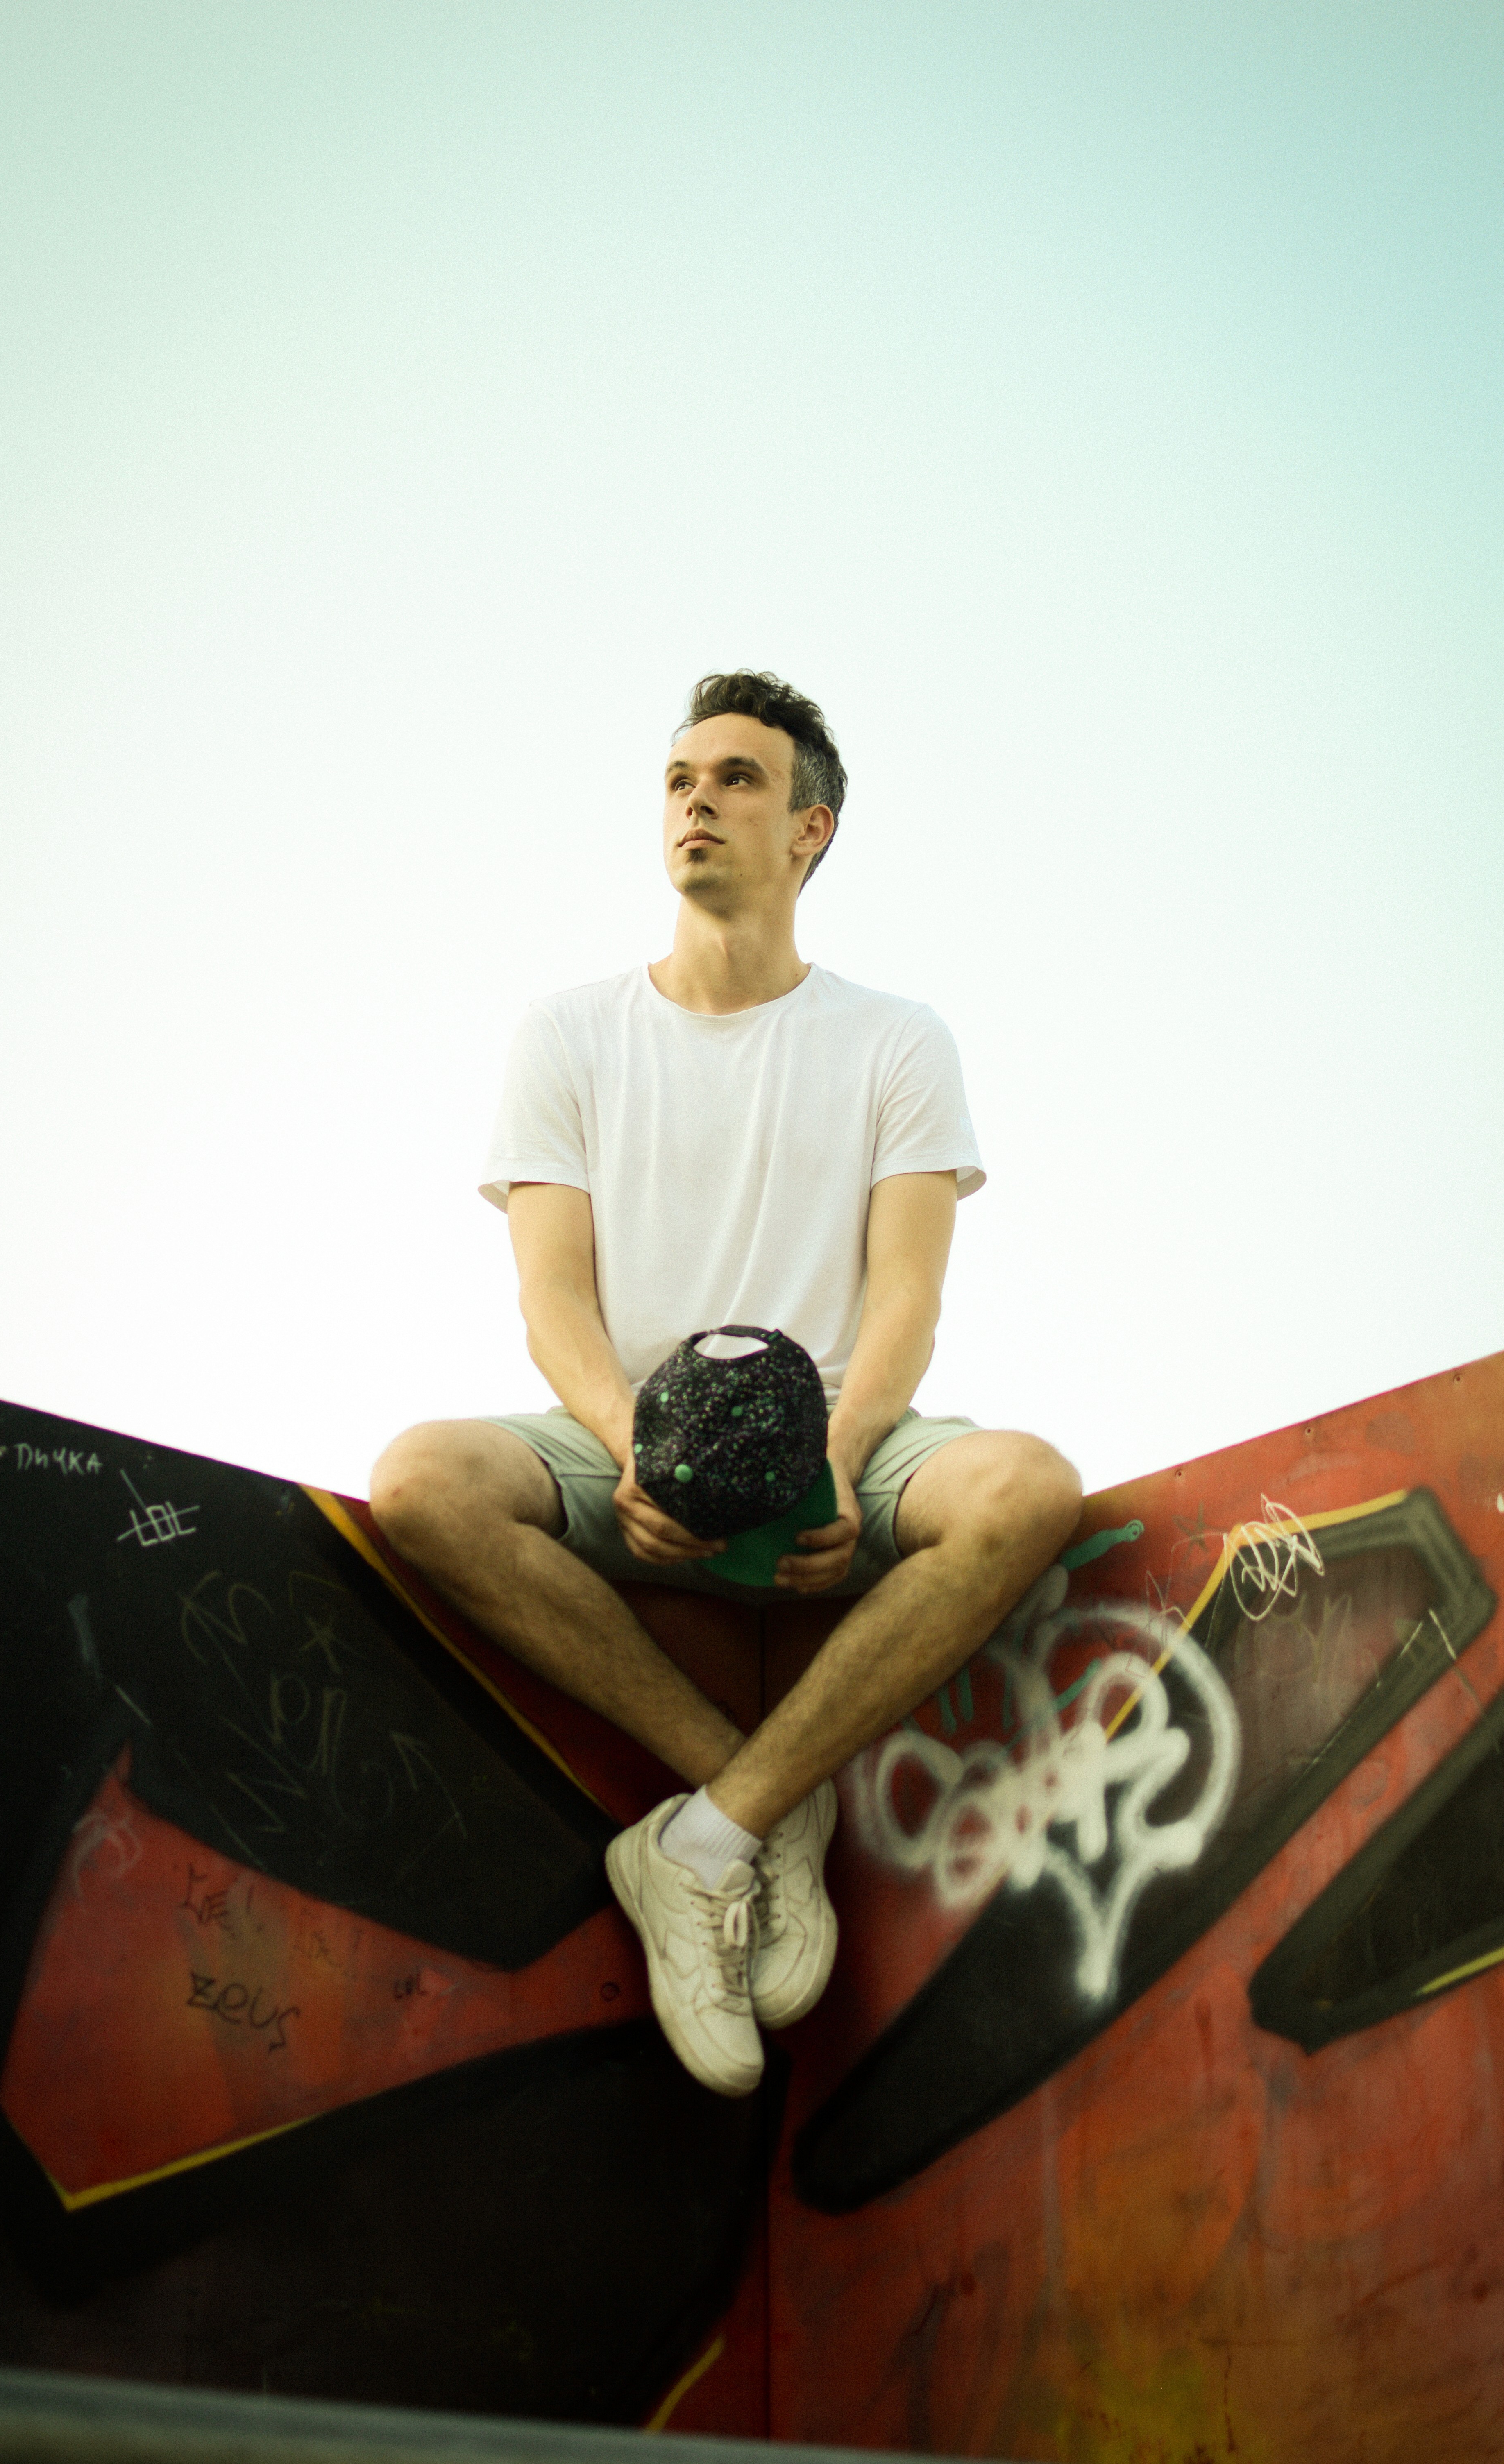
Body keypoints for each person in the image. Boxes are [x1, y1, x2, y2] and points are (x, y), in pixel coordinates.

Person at [370, 672, 1082, 2098]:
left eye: (739, 780)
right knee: (422, 1482)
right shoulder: (567, 1035)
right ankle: (773, 1798)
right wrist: (638, 1447)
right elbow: (551, 1297)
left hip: (840, 1443)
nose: (697, 801)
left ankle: (701, 1841)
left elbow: (908, 1297)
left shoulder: (897, 1039)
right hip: (623, 1439)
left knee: (1027, 1488)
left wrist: (843, 1445)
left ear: (811, 829)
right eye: (681, 778)